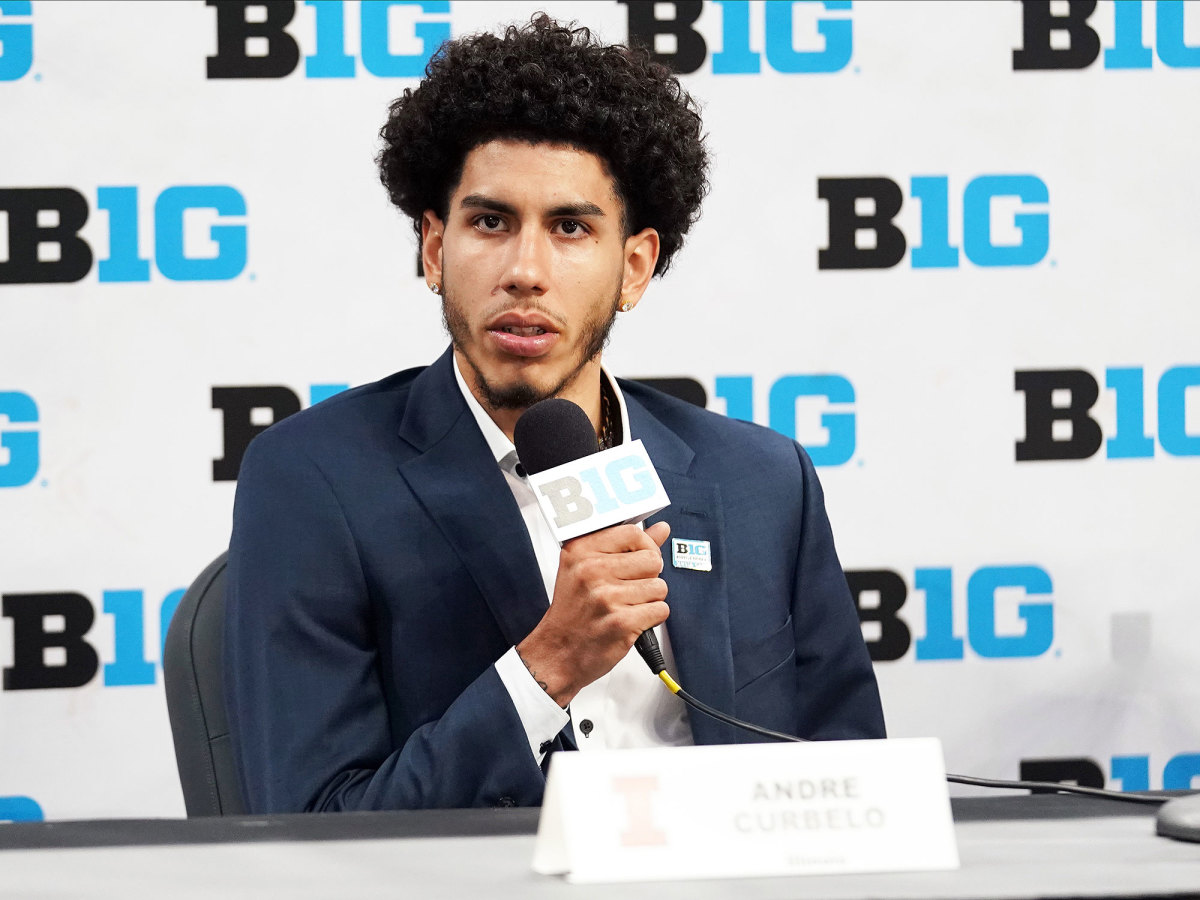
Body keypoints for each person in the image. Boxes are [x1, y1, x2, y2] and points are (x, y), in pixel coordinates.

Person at [224, 14, 884, 814]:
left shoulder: (761, 481)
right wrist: (550, 664)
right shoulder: (315, 481)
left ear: (634, 267)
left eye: (570, 227)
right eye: (489, 222)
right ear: (434, 249)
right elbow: (314, 826)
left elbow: (854, 789)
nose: (525, 271)